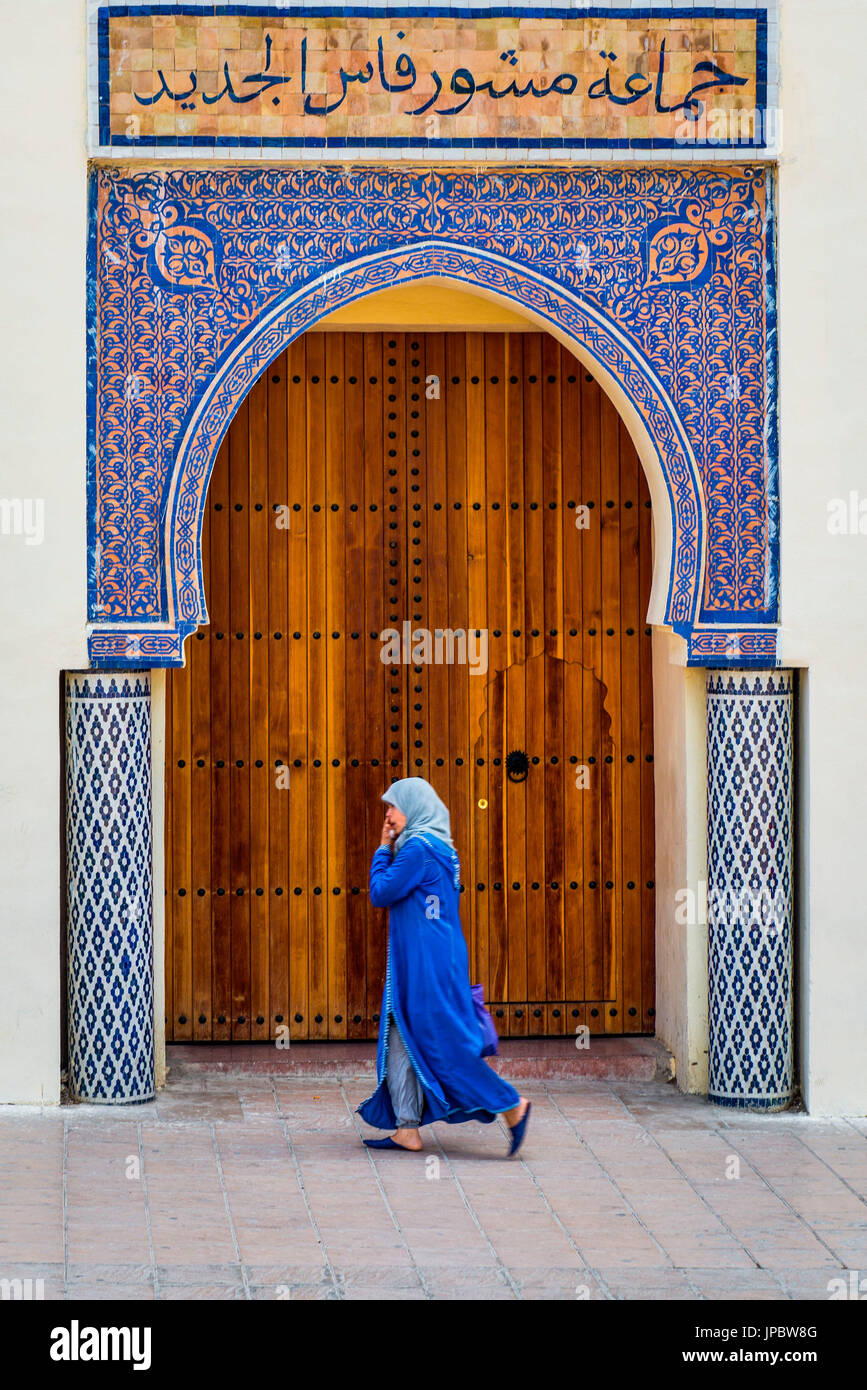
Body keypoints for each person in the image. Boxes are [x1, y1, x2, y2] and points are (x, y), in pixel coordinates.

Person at [357, 777, 531, 1156]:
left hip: (427, 966)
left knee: (441, 1046)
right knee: (401, 1037)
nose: (387, 814)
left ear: (414, 807)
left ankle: (511, 1105)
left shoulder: (416, 849)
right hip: (436, 958)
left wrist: (382, 847)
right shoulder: (439, 847)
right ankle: (406, 1128)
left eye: (393, 805)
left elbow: (380, 892)